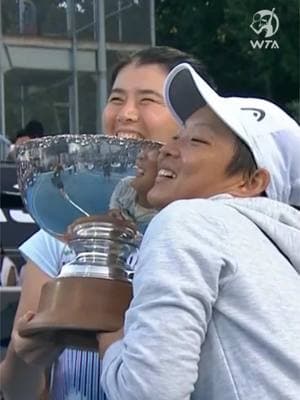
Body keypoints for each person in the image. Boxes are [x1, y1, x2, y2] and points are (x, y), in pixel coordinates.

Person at [0, 47, 214, 400]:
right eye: (116, 98)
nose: (126, 114)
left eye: (147, 100)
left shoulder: (202, 236)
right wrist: (26, 359)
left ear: (191, 123)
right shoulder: (60, 234)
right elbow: (19, 391)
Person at [98, 63, 300, 400]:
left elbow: (149, 392)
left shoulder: (189, 220)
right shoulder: (276, 251)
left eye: (195, 140)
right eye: (176, 136)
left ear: (251, 182)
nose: (167, 149)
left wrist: (111, 342)